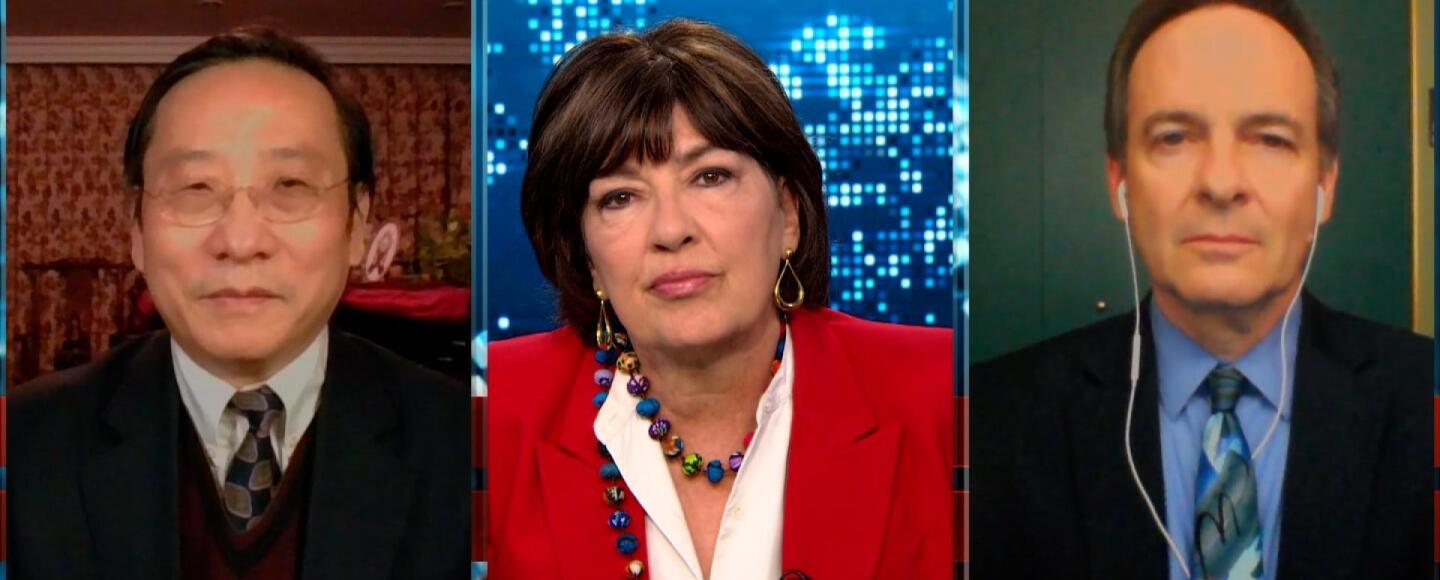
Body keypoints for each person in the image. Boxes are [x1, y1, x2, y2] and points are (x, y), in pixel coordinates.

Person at [971, 1, 1432, 579]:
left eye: (1269, 139)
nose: (1220, 183)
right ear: (1119, 183)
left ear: (1325, 185)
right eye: (1174, 137)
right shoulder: (987, 426)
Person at [487, 19, 954, 579]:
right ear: (587, 256)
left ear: (788, 214)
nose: (671, 229)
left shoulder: (941, 387)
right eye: (620, 197)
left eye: (709, 176)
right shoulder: (494, 403)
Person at [8, 28, 469, 579]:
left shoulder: (466, 444)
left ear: (358, 222)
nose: (241, 240)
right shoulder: (24, 445)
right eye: (195, 189)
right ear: (136, 229)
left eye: (290, 186)